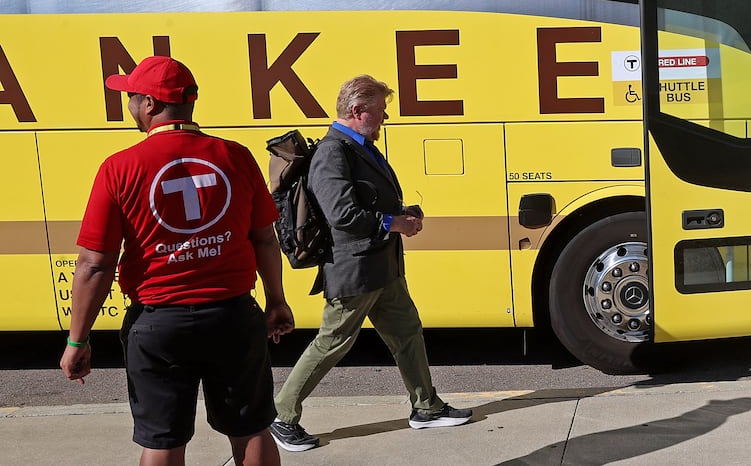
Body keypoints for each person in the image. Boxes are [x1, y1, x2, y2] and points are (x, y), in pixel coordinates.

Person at [60, 55, 293, 466]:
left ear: (149, 104)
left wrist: (78, 339)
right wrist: (276, 300)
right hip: (233, 317)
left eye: (131, 96)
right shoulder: (236, 157)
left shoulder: (119, 168)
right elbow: (264, 239)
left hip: (158, 324)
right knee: (250, 428)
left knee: (162, 441)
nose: (128, 105)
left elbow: (95, 264)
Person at [271, 74, 471, 452]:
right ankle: (281, 415)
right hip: (355, 270)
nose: (385, 117)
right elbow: (341, 213)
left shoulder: (358, 146)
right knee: (332, 342)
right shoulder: (334, 151)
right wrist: (393, 222)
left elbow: (364, 200)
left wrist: (399, 211)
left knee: (407, 332)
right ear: (358, 111)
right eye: (380, 110)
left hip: (381, 267)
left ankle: (425, 406)